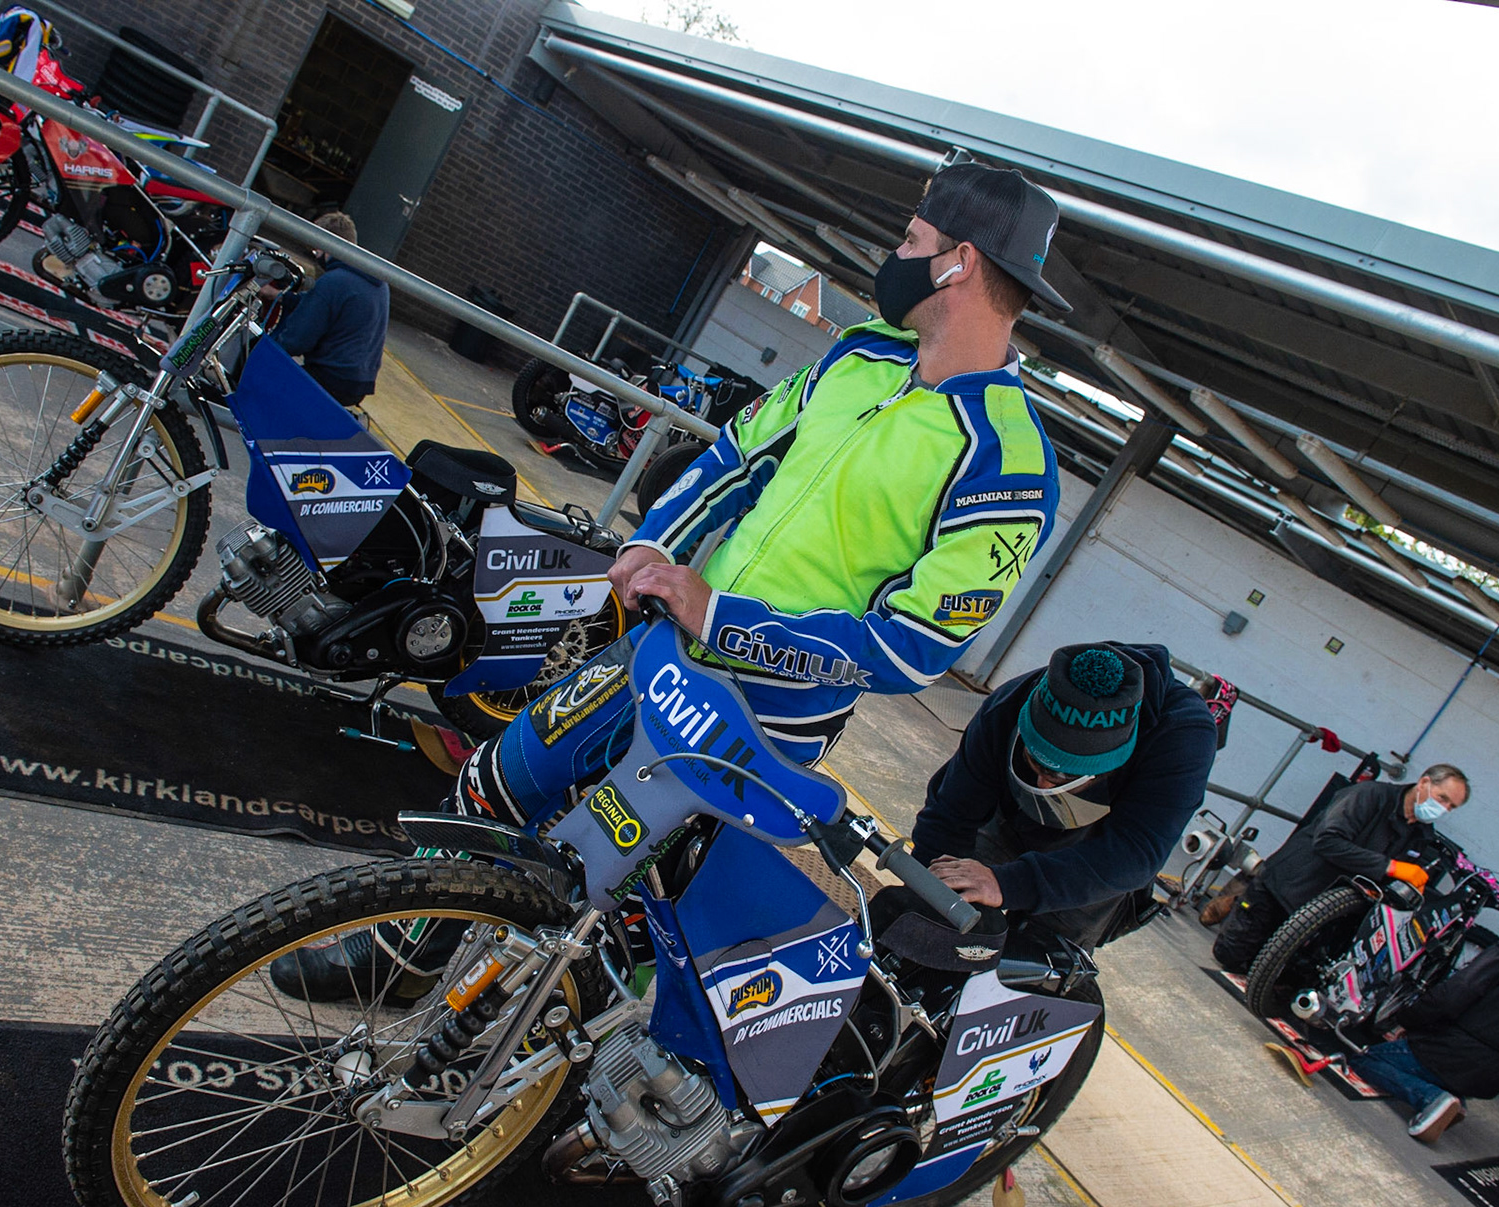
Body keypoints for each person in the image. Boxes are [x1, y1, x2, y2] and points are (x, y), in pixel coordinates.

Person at [273, 161, 1071, 1000]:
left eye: (912, 239)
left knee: (602, 904)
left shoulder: (1011, 459)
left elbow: (910, 648)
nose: (895, 253)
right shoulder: (864, 353)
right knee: (498, 781)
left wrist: (723, 618)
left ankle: (527, 1044)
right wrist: (655, 548)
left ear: (960, 262)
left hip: (762, 726)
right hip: (662, 651)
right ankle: (403, 956)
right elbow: (736, 461)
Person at [915, 642, 1219, 947]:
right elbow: (950, 810)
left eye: (1062, 777)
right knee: (938, 912)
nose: (1044, 785)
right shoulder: (1012, 700)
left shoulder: (1184, 738)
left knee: (1041, 958)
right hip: (1011, 819)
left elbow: (1136, 852)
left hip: (1096, 854)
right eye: (1035, 762)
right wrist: (927, 889)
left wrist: (1009, 884)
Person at [1351, 899, 1499, 1143]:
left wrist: (1406, 1020)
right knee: (1436, 1064)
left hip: (1451, 1055)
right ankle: (1454, 1100)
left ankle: (1431, 1098)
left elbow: (1453, 995)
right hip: (1491, 1080)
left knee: (1367, 1059)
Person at [1212, 763, 1470, 974]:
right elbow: (1328, 841)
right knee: (1230, 958)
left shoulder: (1422, 836)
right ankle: (1239, 901)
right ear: (1424, 783)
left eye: (1451, 807)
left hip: (1323, 913)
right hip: (1287, 887)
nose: (1443, 809)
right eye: (1442, 798)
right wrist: (1390, 867)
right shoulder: (1368, 796)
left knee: (1285, 978)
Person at [271, 211, 390, 408]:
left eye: (316, 247)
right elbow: (329, 307)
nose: (315, 253)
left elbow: (296, 341)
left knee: (264, 385)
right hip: (359, 382)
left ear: (325, 244)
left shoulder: (333, 281)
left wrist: (265, 346)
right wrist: (281, 298)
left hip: (328, 378)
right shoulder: (376, 280)